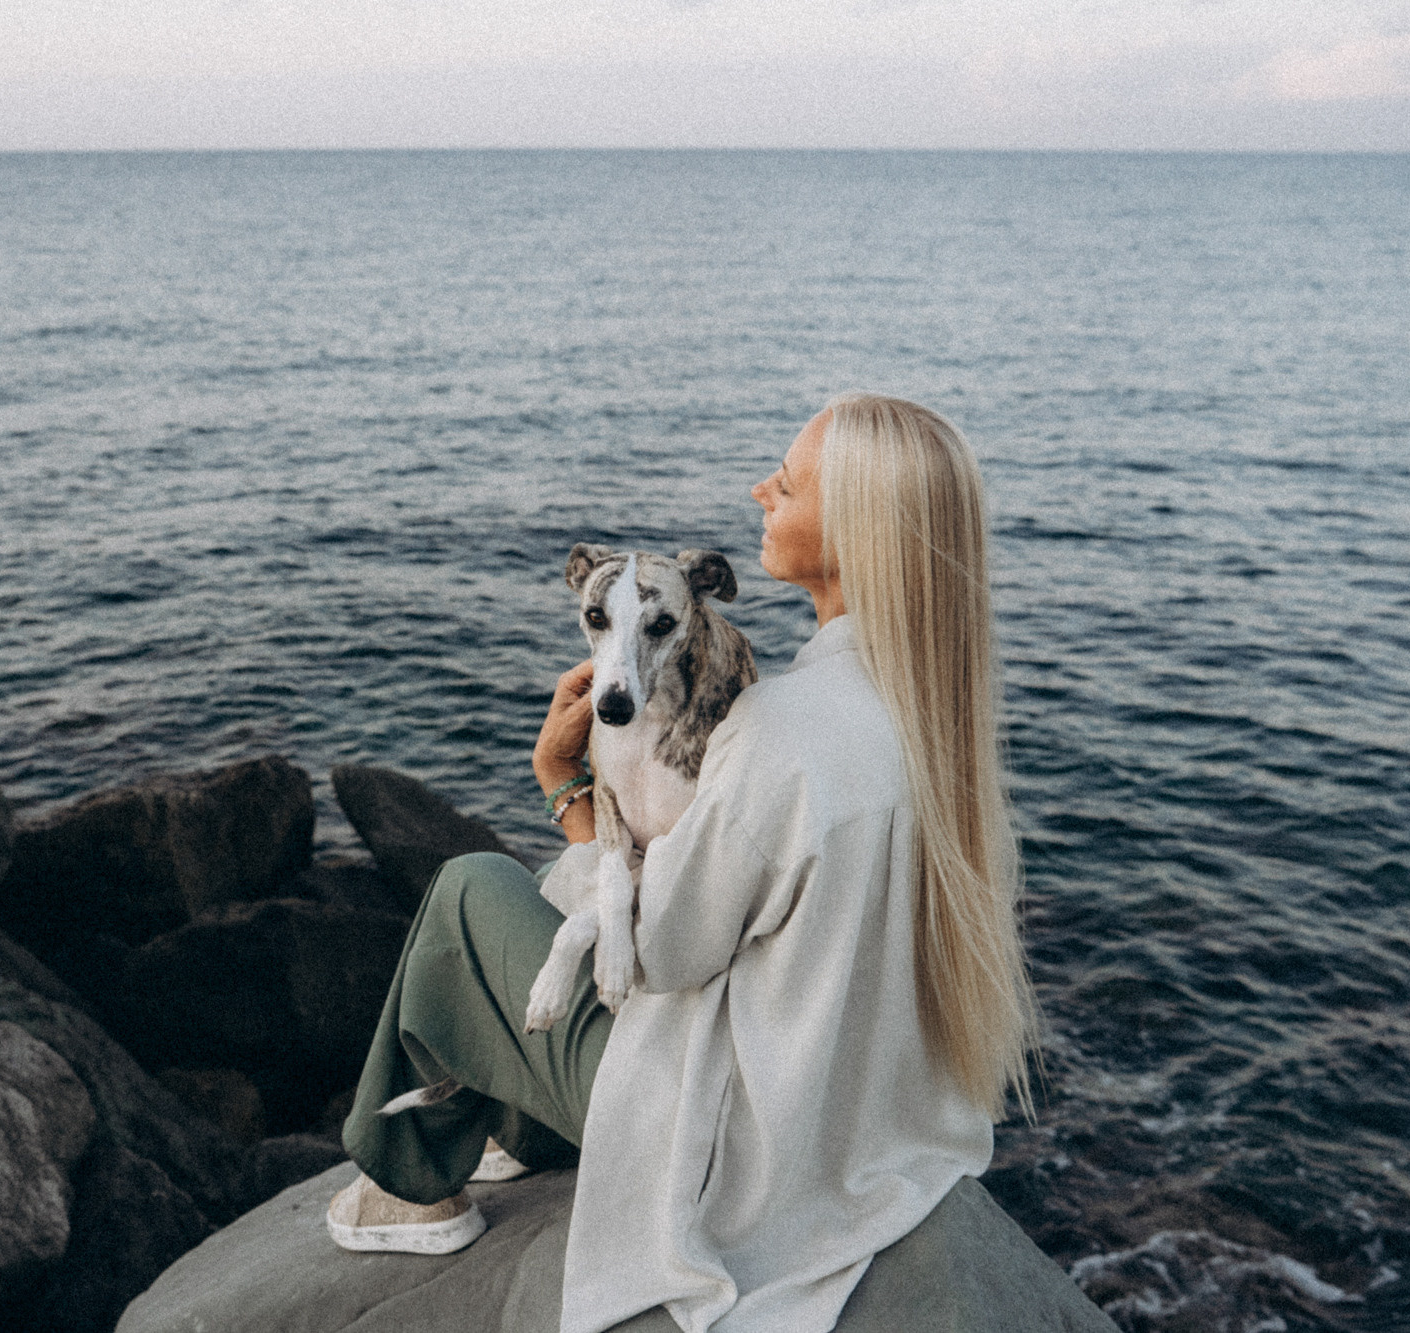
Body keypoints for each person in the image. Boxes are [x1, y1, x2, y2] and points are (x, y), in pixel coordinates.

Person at [332, 393, 1040, 1333]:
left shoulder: (780, 732)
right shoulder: (933, 714)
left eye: (785, 485)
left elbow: (660, 952)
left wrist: (564, 787)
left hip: (727, 1141)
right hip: (850, 1113)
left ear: (856, 530)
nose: (759, 491)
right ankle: (507, 1124)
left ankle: (408, 1182)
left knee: (472, 890)